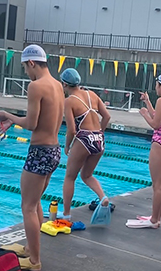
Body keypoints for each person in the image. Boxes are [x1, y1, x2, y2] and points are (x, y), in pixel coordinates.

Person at [0, 44, 64, 271]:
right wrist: (13, 120)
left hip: (39, 152)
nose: (26, 72)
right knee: (35, 204)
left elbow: (31, 124)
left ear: (32, 63)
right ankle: (30, 250)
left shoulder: (36, 86)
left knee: (27, 206)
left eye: (26, 67)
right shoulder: (57, 85)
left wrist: (8, 115)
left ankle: (35, 261)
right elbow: (42, 119)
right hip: (54, 150)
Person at [126, 73, 161, 229]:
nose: (155, 89)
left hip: (159, 144)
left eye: (156, 85)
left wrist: (143, 114)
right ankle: (157, 218)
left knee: (157, 186)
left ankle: (153, 220)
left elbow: (156, 125)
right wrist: (148, 102)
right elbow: (160, 118)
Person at [61, 68, 111, 220]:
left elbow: (71, 130)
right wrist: (99, 132)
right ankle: (103, 198)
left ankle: (66, 214)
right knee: (87, 175)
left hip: (83, 139)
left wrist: (67, 146)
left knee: (70, 177)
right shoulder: (92, 94)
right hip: (99, 139)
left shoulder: (69, 101)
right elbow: (107, 117)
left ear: (64, 84)